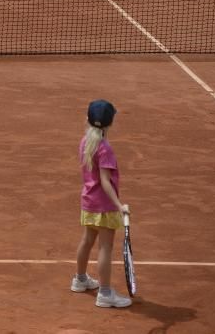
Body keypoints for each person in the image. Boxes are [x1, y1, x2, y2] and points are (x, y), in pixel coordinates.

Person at [71, 99, 133, 308]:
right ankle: (105, 293)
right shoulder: (105, 148)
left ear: (87, 119)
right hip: (104, 206)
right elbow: (105, 182)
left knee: (87, 239)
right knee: (105, 246)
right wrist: (119, 205)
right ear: (110, 123)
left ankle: (80, 280)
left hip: (88, 201)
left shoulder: (85, 142)